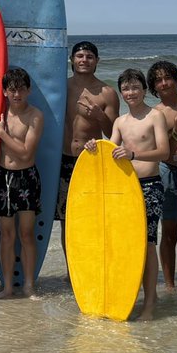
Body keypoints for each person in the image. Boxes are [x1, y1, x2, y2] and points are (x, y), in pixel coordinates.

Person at [85, 67, 169, 320]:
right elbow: (110, 151)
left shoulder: (155, 117)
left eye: (135, 87)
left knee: (148, 243)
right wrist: (93, 148)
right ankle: (127, 296)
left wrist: (133, 154)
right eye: (126, 88)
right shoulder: (120, 122)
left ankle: (151, 302)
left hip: (150, 186)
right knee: (126, 244)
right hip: (124, 190)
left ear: (144, 89)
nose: (130, 92)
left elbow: (163, 152)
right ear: (121, 92)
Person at [0, 67, 44, 299]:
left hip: (26, 178)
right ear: (4, 92)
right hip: (2, 177)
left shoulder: (35, 116)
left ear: (28, 90)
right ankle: (7, 287)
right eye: (12, 90)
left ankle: (29, 286)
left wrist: (1, 133)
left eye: (21, 89)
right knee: (6, 235)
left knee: (26, 234)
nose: (17, 94)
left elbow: (26, 154)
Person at [59, 41, 119, 251]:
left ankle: (91, 267)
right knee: (67, 220)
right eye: (80, 56)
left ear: (97, 61)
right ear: (72, 60)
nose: (84, 60)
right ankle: (71, 273)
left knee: (92, 217)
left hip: (92, 161)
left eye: (89, 57)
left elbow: (113, 134)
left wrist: (100, 116)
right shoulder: (61, 87)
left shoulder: (106, 93)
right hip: (63, 160)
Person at [147, 61, 177, 293]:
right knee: (170, 233)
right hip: (168, 172)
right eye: (158, 80)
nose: (164, 83)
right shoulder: (156, 114)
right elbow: (164, 151)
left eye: (168, 78)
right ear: (153, 86)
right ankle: (169, 285)